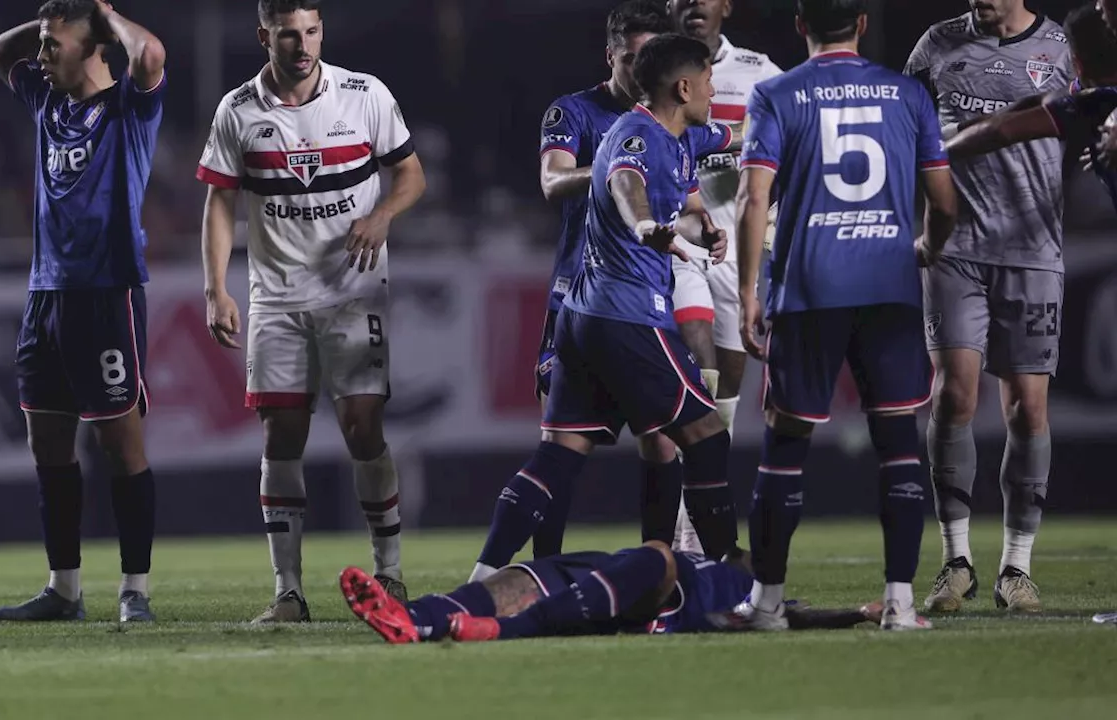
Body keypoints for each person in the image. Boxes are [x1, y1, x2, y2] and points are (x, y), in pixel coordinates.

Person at [475, 1, 736, 580]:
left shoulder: (675, 132)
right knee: (699, 432)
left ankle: (498, 575)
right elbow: (621, 184)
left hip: (603, 304)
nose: (643, 65)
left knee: (577, 448)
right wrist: (639, 211)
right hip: (609, 299)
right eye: (634, 57)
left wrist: (701, 226)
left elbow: (702, 168)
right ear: (615, 56)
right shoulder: (615, 127)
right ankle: (714, 568)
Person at [197, 0, 427, 623]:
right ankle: (288, 592)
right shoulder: (238, 110)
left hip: (353, 292)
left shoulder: (364, 94)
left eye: (312, 31)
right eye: (289, 35)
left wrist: (382, 215)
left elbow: (410, 175)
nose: (303, 45)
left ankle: (391, 575)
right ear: (263, 36)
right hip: (276, 298)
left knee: (362, 428)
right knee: (282, 436)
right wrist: (217, 288)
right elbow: (219, 203)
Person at [733, 0, 958, 631]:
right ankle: (900, 604)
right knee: (898, 445)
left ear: (800, 25)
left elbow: (755, 199)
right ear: (861, 24)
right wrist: (924, 250)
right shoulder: (907, 94)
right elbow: (945, 203)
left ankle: (768, 604)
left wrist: (749, 289)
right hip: (887, 286)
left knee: (786, 442)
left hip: (808, 286)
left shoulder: (775, 94)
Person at [0, 0, 166, 623]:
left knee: (121, 446)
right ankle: (64, 589)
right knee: (48, 448)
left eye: (52, 46)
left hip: (106, 294)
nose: (40, 56)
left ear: (93, 47)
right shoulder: (47, 102)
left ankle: (134, 590)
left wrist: (101, 13)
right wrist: (46, 25)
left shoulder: (128, 109)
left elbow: (150, 56)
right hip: (45, 296)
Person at [904, 0, 1073, 615]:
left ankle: (1016, 569)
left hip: (1032, 252)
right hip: (955, 249)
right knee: (954, 394)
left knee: (1027, 407)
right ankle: (955, 561)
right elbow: (908, 133)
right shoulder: (936, 45)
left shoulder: (1061, 48)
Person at [665, 0, 785, 555]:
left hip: (741, 252)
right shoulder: (655, 67)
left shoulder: (760, 74)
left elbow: (796, 146)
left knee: (727, 391)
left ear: (725, 6)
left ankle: (694, 526)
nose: (693, 5)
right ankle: (675, 528)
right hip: (677, 244)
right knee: (693, 380)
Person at [341, 543, 881, 643]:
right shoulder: (720, 559)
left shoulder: (754, 592)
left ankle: (499, 632)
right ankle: (410, 620)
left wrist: (856, 613)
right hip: (602, 572)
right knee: (513, 580)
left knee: (656, 557)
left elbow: (796, 617)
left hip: (659, 597)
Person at [945, 5, 1117, 211]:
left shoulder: (1097, 101)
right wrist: (951, 131)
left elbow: (1001, 131)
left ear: (1076, 63)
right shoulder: (1089, 95)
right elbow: (1040, 102)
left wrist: (931, 155)